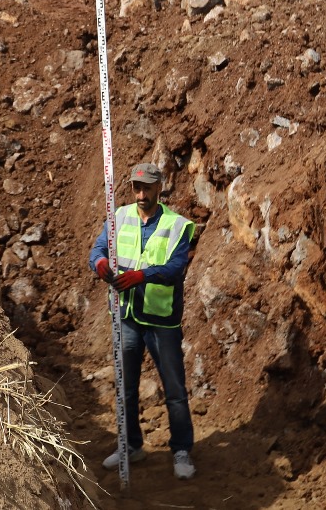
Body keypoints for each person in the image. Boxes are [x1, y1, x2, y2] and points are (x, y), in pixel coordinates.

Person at [89, 162, 198, 479]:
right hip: (125, 316)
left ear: (158, 188)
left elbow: (176, 268)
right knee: (126, 388)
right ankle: (130, 447)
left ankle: (181, 451)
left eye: (146, 188)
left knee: (174, 390)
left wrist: (142, 276)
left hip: (161, 320)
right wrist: (99, 263)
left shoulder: (177, 226)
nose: (140, 194)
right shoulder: (119, 216)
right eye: (136, 188)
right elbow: (97, 248)